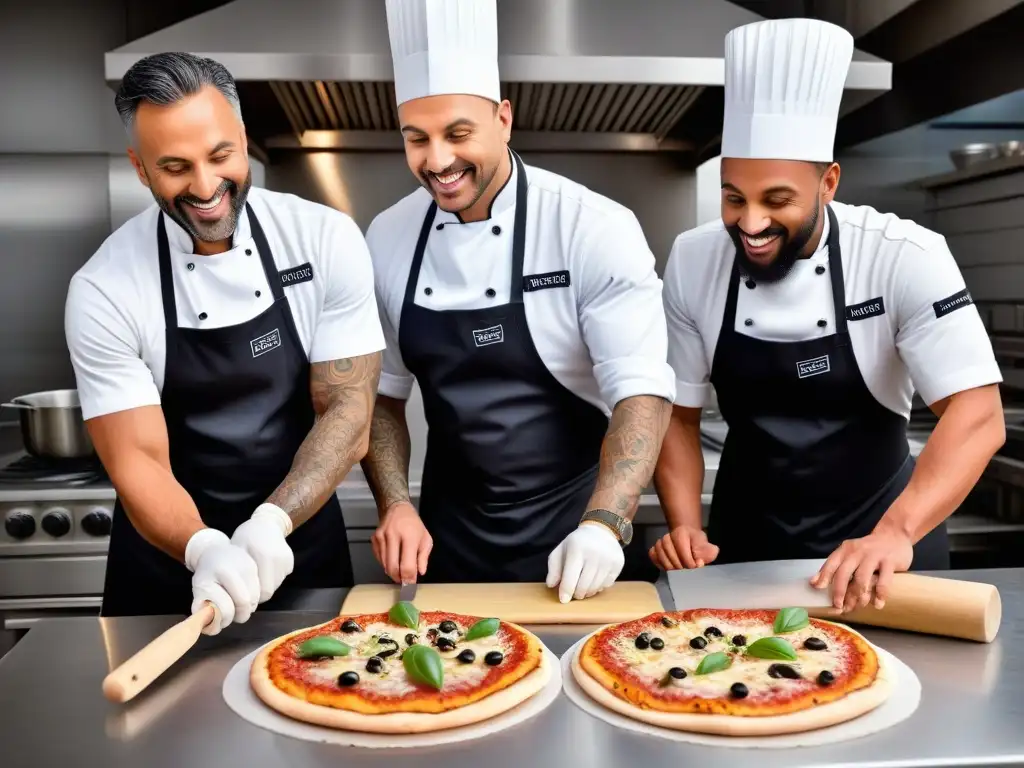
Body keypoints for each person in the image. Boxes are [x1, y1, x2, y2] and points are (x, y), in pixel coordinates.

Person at [651, 19, 1005, 613]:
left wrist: (896, 532)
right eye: (733, 197)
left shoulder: (902, 255)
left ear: (829, 183)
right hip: (742, 556)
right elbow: (678, 415)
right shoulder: (693, 258)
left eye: (777, 200)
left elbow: (978, 413)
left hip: (882, 553)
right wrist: (687, 524)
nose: (751, 224)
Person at [360, 0, 676, 602]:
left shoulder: (591, 226)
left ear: (504, 119)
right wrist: (395, 504)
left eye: (458, 134)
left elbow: (641, 392)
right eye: (416, 139)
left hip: (580, 534)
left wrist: (607, 524)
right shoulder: (388, 236)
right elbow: (381, 396)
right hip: (448, 537)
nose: (437, 161)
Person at [64, 53, 385, 634]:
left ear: (242, 138)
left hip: (298, 547)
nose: (207, 187)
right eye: (175, 167)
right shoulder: (104, 288)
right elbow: (137, 460)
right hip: (167, 568)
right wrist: (203, 550)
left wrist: (270, 523)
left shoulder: (322, 238)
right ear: (140, 168)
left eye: (220, 156)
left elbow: (348, 409)